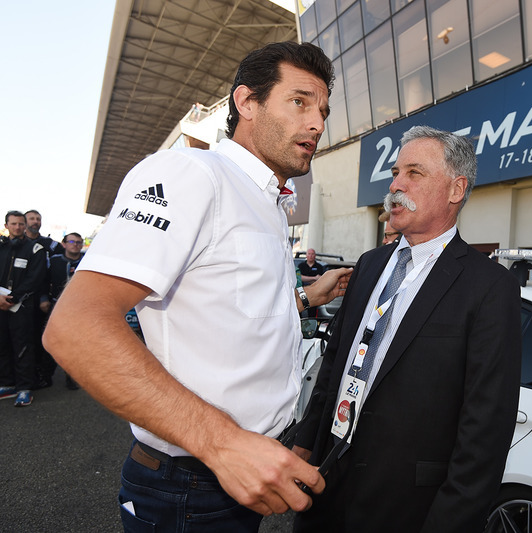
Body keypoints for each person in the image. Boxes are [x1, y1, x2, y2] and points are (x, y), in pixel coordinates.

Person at [44, 41, 353, 530]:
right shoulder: (191, 173)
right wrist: (226, 445)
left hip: (242, 471)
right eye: (299, 102)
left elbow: (226, 311)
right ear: (246, 103)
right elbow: (75, 328)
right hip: (190, 484)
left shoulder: (267, 201)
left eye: (322, 110)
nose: (317, 123)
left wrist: (304, 297)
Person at [292, 125, 522, 533]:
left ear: (456, 189)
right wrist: (306, 444)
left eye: (413, 173)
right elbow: (336, 364)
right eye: (396, 173)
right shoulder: (369, 264)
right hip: (326, 485)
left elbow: (485, 429)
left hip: (407, 506)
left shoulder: (489, 286)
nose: (396, 184)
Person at [0, 211, 47, 406]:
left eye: (21, 224)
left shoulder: (35, 249)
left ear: (25, 225)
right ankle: (7, 383)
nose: (17, 227)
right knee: (2, 345)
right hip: (0, 305)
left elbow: (35, 278)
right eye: (13, 224)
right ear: (6, 225)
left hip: (23, 306)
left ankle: (25, 388)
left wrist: (13, 298)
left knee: (23, 346)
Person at [24, 209, 64, 389]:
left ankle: (41, 374)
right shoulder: (17, 243)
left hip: (41, 299)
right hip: (18, 298)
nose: (35, 221)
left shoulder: (49, 244)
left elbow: (65, 255)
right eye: (31, 219)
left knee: (40, 337)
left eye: (38, 219)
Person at [45, 232, 85, 389]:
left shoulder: (87, 261)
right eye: (72, 241)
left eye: (78, 242)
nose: (75, 244)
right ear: (64, 244)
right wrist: (43, 299)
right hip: (56, 306)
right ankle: (46, 376)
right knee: (52, 341)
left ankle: (72, 377)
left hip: (79, 309)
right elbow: (44, 280)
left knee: (75, 344)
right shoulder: (54, 261)